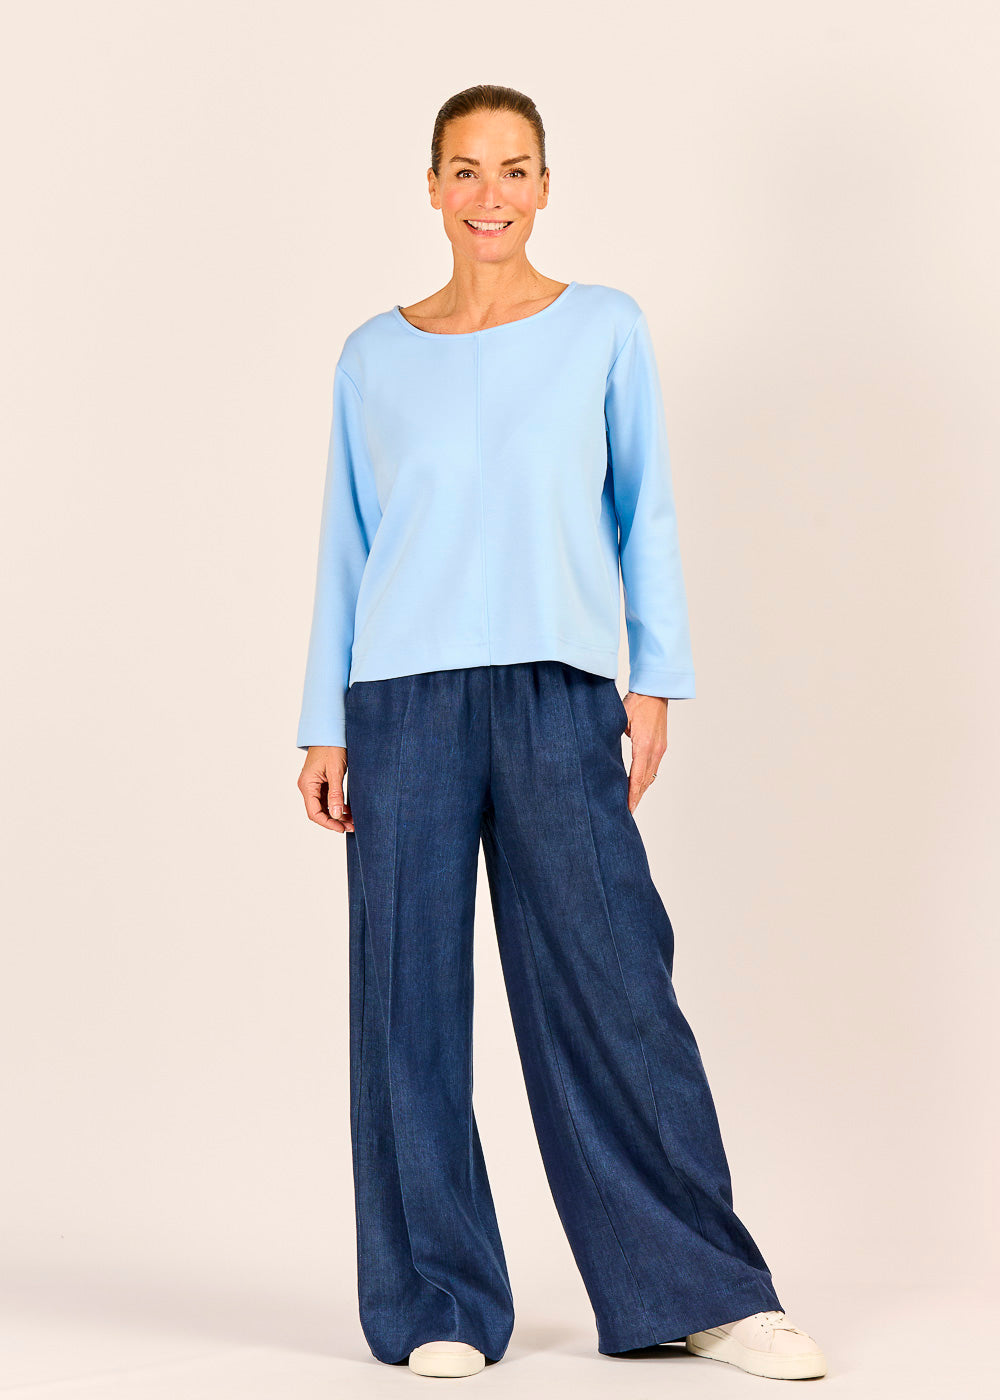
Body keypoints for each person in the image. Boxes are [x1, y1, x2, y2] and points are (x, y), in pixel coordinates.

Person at [295, 84, 827, 1383]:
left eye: (515, 169)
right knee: (407, 1000)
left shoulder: (604, 330)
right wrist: (323, 724)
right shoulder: (373, 358)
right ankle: (437, 1300)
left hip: (558, 689)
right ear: (432, 187)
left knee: (614, 981)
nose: (491, 195)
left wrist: (656, 680)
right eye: (466, 170)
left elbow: (646, 509)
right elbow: (346, 545)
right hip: (401, 700)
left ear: (545, 186)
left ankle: (699, 1290)